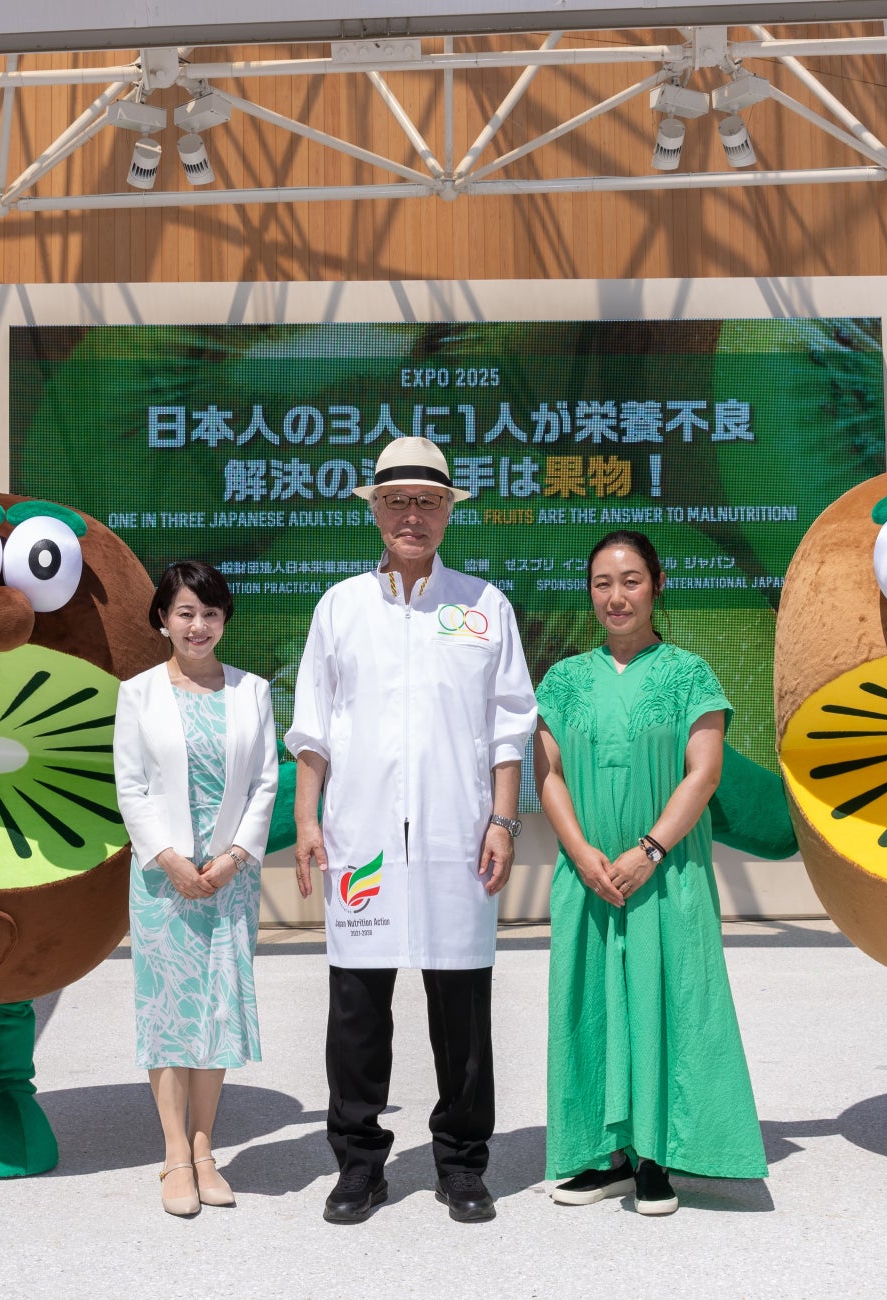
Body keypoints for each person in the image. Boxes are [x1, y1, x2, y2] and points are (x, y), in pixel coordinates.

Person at [286, 436, 537, 1226]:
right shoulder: (340, 606)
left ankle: (462, 1163)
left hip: (455, 839)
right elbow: (314, 726)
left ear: (448, 513)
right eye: (396, 501)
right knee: (357, 1008)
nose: (412, 516)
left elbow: (509, 726)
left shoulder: (483, 605)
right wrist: (306, 815)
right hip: (360, 837)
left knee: (461, 1006)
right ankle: (359, 1163)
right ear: (375, 510)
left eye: (428, 502)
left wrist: (501, 817)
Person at [532, 529, 767, 1216]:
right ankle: (607, 1155)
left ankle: (659, 1156)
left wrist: (651, 851)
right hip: (589, 875)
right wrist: (579, 852)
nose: (616, 596)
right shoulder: (565, 679)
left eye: (630, 580)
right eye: (602, 583)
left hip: (666, 874)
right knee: (592, 1004)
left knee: (669, 1000)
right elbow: (549, 774)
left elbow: (704, 773)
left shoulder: (690, 674)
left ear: (657, 584)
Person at [115, 560, 279, 1218]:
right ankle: (174, 1156)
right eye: (185, 612)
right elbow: (130, 786)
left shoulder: (253, 692)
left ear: (224, 620)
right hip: (163, 881)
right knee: (168, 1016)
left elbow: (266, 781)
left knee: (217, 1012)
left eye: (210, 613)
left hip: (230, 880)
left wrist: (236, 856)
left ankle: (206, 1149)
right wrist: (169, 859)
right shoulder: (139, 694)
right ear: (162, 619)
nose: (198, 625)